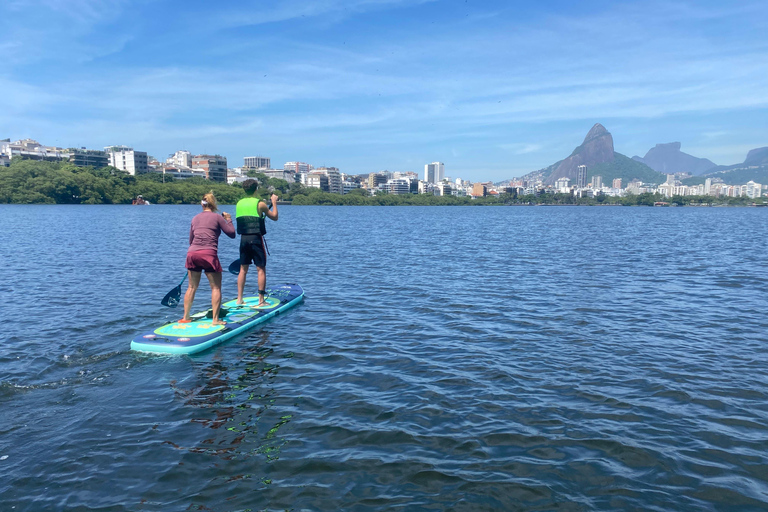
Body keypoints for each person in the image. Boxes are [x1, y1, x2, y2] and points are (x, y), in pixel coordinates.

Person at [180, 191, 236, 325]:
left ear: (202, 204)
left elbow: (190, 240)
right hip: (209, 254)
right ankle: (215, 320)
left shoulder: (194, 218)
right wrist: (228, 219)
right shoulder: (217, 218)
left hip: (192, 253)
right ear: (213, 204)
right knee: (216, 288)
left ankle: (186, 317)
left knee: (191, 287)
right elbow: (232, 233)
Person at [235, 179, 278, 306]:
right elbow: (275, 217)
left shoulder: (239, 203)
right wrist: (274, 203)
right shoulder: (260, 204)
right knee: (261, 269)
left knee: (243, 269)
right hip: (256, 239)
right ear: (256, 189)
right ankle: (261, 300)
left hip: (243, 239)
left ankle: (239, 299)